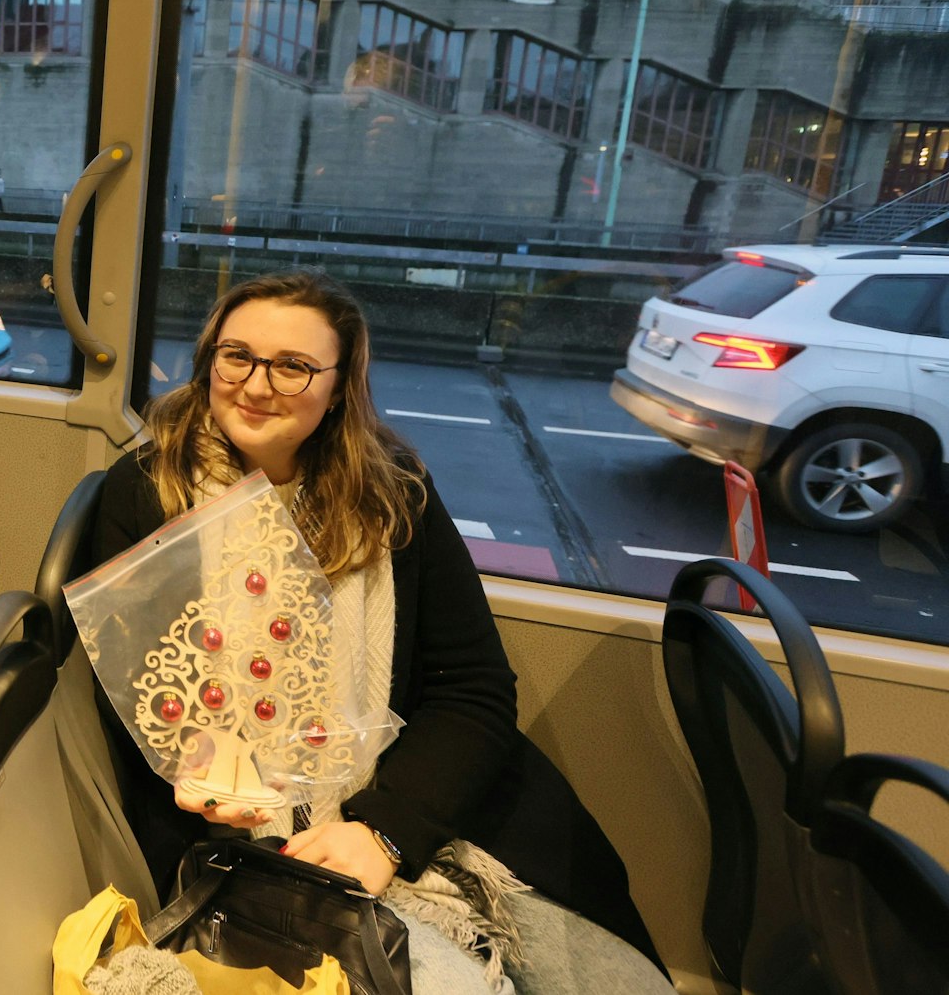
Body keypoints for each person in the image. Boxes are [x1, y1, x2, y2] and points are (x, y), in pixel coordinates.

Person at [89, 272, 668, 995]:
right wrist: (199, 768)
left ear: (338, 386)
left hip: (425, 810)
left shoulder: (394, 493)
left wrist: (385, 830)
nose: (256, 385)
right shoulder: (146, 491)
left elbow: (475, 690)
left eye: (292, 365)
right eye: (236, 355)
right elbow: (137, 691)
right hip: (247, 843)